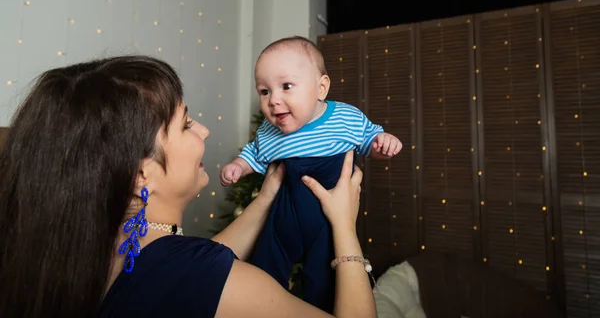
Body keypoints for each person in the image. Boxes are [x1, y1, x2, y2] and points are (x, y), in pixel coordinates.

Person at [0, 55, 376, 318]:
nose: (204, 131)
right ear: (139, 175)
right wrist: (344, 227)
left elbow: (181, 266)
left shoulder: (93, 250)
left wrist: (265, 198)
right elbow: (197, 275)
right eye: (186, 124)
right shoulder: (213, 282)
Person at [220, 36, 402, 312]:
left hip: (327, 219)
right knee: (266, 261)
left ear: (321, 88)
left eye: (286, 86)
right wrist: (239, 166)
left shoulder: (344, 118)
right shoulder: (270, 132)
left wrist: (382, 144)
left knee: (325, 279)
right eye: (264, 91)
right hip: (286, 210)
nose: (274, 100)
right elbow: (255, 154)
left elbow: (368, 139)